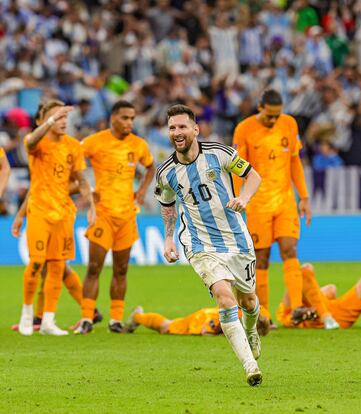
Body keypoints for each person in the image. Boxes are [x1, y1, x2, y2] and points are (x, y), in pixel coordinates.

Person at [155, 104, 263, 386]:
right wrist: (169, 237)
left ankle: (251, 331)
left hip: (237, 239)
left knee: (249, 301)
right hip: (200, 243)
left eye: (182, 127)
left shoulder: (220, 153)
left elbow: (253, 176)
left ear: (195, 129)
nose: (177, 133)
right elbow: (167, 203)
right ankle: (249, 365)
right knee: (224, 296)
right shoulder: (166, 172)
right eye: (172, 128)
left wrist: (245, 199)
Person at [75, 100, 155, 335]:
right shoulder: (95, 142)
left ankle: (115, 320)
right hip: (103, 214)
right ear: (113, 118)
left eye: (132, 118)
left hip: (127, 215)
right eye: (124, 118)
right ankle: (86, 319)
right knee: (93, 267)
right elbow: (74, 160)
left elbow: (151, 168)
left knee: (121, 270)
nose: (129, 122)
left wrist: (141, 191)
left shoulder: (138, 145)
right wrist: (85, 189)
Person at [232, 89, 313, 321]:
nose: (273, 120)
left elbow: (295, 162)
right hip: (257, 204)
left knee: (289, 249)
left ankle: (296, 307)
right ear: (260, 107)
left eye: (277, 116)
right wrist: (240, 199)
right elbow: (239, 170)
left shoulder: (289, 124)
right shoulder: (244, 129)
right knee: (262, 256)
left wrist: (304, 197)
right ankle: (264, 315)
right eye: (269, 116)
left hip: (285, 200)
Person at [17, 100, 96, 336]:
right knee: (37, 262)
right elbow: (30, 141)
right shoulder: (37, 143)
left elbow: (81, 179)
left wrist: (91, 206)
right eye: (58, 117)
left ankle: (49, 321)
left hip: (64, 213)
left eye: (64, 118)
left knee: (57, 266)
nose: (63, 122)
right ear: (46, 120)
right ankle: (27, 314)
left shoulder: (73, 146)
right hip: (40, 210)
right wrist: (50, 119)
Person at [11, 188, 102, 331]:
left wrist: (58, 190)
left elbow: (77, 182)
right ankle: (88, 310)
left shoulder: (65, 167)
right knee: (50, 267)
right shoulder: (41, 169)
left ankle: (44, 317)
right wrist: (21, 213)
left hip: (59, 214)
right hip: (45, 211)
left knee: (52, 265)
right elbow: (36, 186)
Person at [277, 263, 361, 329]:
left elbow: (331, 290)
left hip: (334, 313)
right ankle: (326, 318)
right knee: (305, 269)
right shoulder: (288, 316)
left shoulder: (287, 312)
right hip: (334, 318)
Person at [124, 306, 271, 337]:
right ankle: (137, 316)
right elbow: (206, 331)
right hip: (200, 320)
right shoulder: (232, 322)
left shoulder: (256, 312)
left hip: (209, 312)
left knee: (169, 324)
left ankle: (139, 316)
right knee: (166, 327)